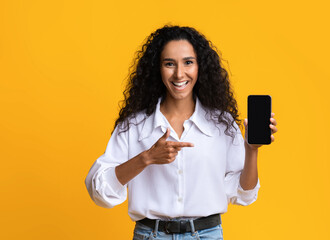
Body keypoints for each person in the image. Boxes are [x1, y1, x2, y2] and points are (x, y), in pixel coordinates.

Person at [85, 25, 278, 240]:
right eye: (169, 64)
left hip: (206, 235)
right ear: (157, 69)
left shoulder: (222, 124)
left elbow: (245, 194)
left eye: (188, 62)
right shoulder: (134, 126)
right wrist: (146, 158)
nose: (179, 73)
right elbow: (99, 191)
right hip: (151, 235)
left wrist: (251, 150)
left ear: (200, 67)